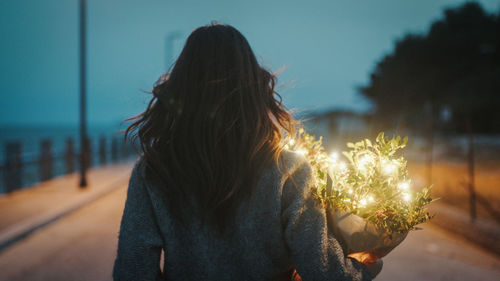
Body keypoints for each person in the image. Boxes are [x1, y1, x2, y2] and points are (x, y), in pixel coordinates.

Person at [112, 23, 382, 281]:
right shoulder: (289, 169)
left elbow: (133, 271)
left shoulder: (153, 172)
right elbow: (321, 270)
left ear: (181, 91)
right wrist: (364, 268)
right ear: (254, 90)